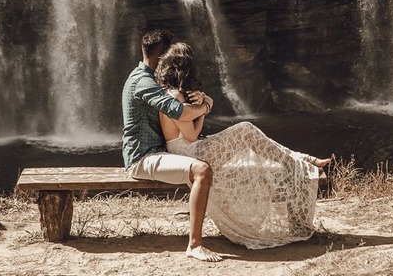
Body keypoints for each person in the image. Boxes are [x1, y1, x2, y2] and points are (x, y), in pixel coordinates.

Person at [156, 42, 333, 249]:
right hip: (188, 153)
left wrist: (201, 104)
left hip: (187, 149)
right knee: (245, 130)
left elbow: (191, 133)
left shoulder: (170, 94)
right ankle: (298, 159)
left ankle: (297, 158)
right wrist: (203, 108)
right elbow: (192, 134)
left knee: (246, 132)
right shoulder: (175, 97)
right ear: (185, 67)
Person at [122, 30, 221, 262]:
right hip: (142, 158)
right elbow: (181, 112)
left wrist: (198, 97)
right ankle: (194, 245)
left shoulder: (144, 77)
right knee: (202, 170)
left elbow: (179, 106)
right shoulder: (143, 83)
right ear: (163, 56)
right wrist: (207, 105)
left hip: (155, 154)